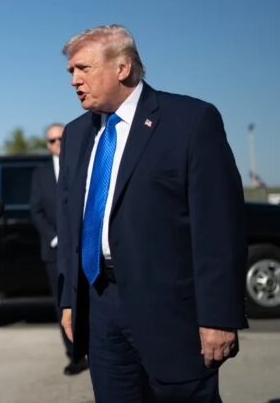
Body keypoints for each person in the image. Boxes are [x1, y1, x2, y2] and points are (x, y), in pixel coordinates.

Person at [56, 24, 247, 401]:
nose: (74, 80)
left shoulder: (190, 121)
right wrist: (68, 300)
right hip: (100, 304)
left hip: (171, 310)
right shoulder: (77, 134)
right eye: (71, 71)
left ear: (122, 67)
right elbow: (69, 221)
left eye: (83, 68)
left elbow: (219, 227)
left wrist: (219, 316)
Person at [29, 123, 88, 376]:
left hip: (86, 246)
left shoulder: (84, 164)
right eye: (52, 140)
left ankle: (98, 349)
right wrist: (54, 237)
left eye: (61, 139)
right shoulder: (40, 174)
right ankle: (75, 355)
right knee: (63, 303)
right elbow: (35, 210)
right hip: (54, 251)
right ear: (47, 145)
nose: (58, 144)